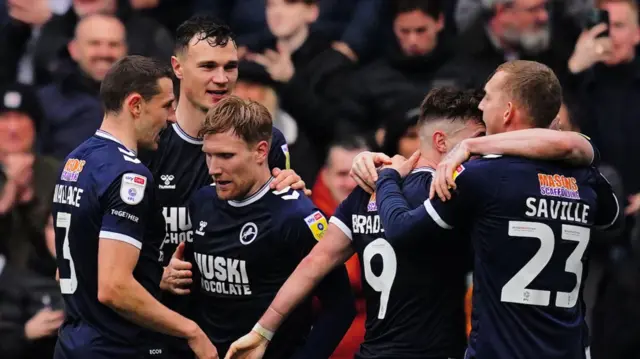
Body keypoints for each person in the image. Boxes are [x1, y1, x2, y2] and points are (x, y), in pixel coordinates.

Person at [225, 86, 599, 359]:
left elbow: (314, 265)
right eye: (477, 139)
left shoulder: (367, 190)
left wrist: (263, 330)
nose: (488, 150)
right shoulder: (456, 194)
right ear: (441, 141)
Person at [371, 60, 620, 359]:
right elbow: (611, 216)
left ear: (508, 111)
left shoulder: (483, 175)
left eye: (487, 97)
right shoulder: (585, 176)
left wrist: (387, 178)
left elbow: (401, 230)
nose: (481, 107)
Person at [141, 15, 307, 359]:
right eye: (208, 66)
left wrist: (292, 193)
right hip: (160, 329)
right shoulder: (150, 141)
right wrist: (153, 273)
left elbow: (286, 220)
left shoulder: (266, 140)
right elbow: (110, 242)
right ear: (178, 67)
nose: (221, 79)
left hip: (237, 334)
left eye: (230, 67)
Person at [51, 55, 216, 359]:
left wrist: (152, 276)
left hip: (73, 342)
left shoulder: (76, 161)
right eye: (167, 106)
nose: (173, 118)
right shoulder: (130, 175)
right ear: (136, 105)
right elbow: (114, 287)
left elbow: (68, 271)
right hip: (114, 347)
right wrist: (191, 330)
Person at [180, 96, 354, 358]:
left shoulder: (296, 217)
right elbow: (195, 288)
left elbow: (340, 306)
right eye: (209, 155)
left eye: (226, 155)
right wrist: (172, 277)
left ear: (260, 151)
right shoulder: (201, 201)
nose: (214, 169)